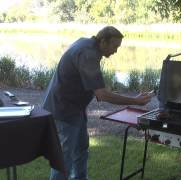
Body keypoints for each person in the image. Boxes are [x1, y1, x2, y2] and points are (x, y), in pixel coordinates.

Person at [43, 26, 153, 180]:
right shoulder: (88, 54)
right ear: (103, 41)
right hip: (63, 109)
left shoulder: (87, 43)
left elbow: (94, 87)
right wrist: (135, 101)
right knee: (64, 157)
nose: (116, 51)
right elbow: (102, 94)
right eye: (114, 46)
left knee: (81, 148)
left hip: (76, 109)